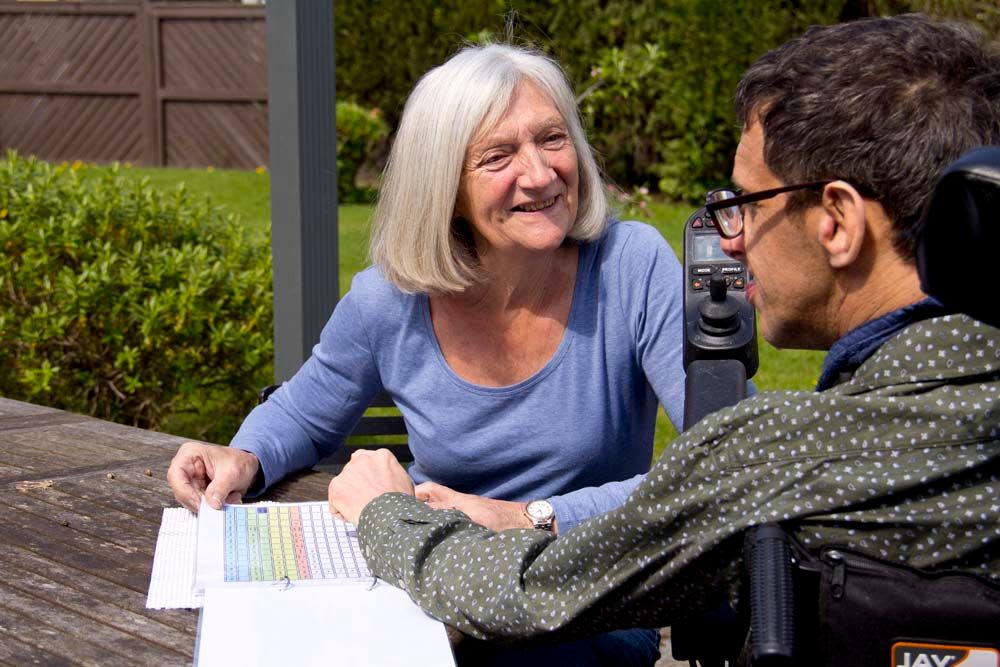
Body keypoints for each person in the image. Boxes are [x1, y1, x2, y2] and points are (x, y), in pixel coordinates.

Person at [327, 13, 1000, 649]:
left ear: (838, 222)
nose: (730, 242)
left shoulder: (790, 456)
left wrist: (388, 512)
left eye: (745, 203)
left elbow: (524, 592)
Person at [168, 43, 689, 665]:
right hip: (419, 585)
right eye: (499, 155)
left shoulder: (633, 267)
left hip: (580, 597)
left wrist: (525, 517)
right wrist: (243, 455)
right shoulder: (388, 301)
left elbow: (727, 461)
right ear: (444, 185)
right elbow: (304, 414)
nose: (542, 173)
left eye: (552, 139)